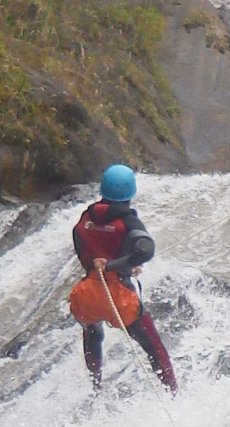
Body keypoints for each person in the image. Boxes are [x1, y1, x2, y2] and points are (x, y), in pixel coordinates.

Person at [69, 163, 177, 391]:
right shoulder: (128, 222)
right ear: (131, 192)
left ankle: (96, 385)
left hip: (87, 294)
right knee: (154, 348)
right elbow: (146, 249)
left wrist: (109, 264)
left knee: (92, 333)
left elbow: (85, 253)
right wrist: (121, 265)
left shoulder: (85, 217)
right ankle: (173, 392)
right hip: (119, 297)